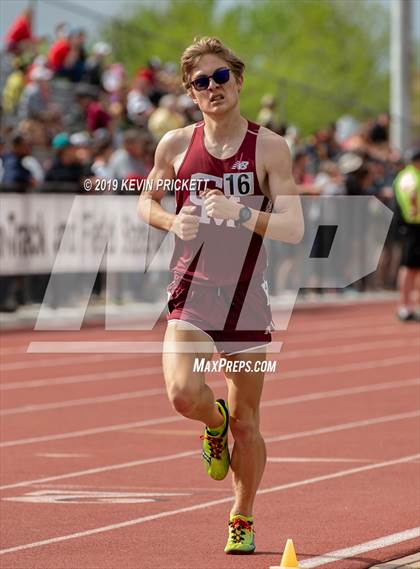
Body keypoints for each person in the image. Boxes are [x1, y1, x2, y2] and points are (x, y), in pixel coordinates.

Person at [138, 36, 303, 555]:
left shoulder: (271, 147)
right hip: (191, 292)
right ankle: (214, 424)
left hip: (247, 299)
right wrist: (172, 219)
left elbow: (294, 228)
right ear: (191, 92)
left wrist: (242, 214)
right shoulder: (174, 145)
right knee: (184, 394)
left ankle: (242, 513)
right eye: (201, 82)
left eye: (220, 77)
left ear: (239, 79)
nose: (213, 88)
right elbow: (147, 202)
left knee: (250, 426)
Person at [394, 149, 420, 321]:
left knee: (411, 267)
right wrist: (413, 207)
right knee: (409, 267)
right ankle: (404, 305)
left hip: (411, 225)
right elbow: (412, 196)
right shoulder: (411, 177)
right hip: (414, 225)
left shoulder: (404, 175)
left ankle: (407, 305)